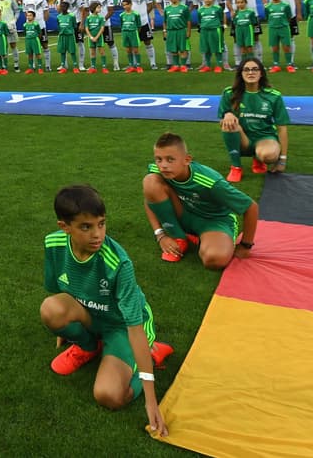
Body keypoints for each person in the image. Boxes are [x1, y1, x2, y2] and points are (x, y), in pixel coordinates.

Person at [40, 184, 173, 436]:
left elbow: (134, 327)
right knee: (51, 309)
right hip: (92, 317)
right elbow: (56, 289)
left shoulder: (118, 263)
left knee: (109, 395)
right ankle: (88, 347)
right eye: (86, 227)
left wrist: (151, 400)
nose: (97, 234)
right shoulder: (53, 243)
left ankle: (148, 356)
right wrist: (67, 327)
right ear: (64, 227)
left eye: (101, 224)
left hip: (123, 326)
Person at [143, 132, 259, 269]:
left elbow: (251, 207)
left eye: (170, 159)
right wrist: (160, 235)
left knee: (215, 259)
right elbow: (149, 199)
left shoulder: (211, 182)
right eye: (159, 159)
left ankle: (200, 238)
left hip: (214, 221)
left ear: (187, 160)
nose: (163, 166)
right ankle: (178, 237)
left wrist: (246, 245)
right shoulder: (157, 170)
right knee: (150, 182)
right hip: (185, 212)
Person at [218, 56, 290, 182]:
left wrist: (282, 160)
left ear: (261, 73)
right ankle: (236, 167)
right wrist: (227, 113)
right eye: (246, 70)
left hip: (264, 138)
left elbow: (282, 128)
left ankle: (258, 158)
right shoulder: (229, 93)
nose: (251, 72)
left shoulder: (273, 96)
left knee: (269, 155)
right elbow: (222, 121)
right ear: (241, 73)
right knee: (227, 123)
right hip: (242, 138)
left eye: (255, 69)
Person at [121, 0, 159, 69]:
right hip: (131, 24)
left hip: (143, 22)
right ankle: (133, 64)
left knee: (147, 42)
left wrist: (142, 15)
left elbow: (150, 5)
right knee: (131, 45)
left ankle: (153, 63)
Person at [263, 0, 296, 72]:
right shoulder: (267, 7)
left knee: (286, 47)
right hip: (273, 29)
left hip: (284, 28)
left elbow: (289, 17)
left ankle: (289, 65)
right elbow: (267, 17)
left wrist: (283, 23)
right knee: (275, 47)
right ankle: (276, 65)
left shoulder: (285, 5)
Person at [161, 0, 192, 72]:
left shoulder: (184, 8)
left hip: (181, 30)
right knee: (173, 49)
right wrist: (164, 31)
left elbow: (188, 21)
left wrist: (188, 31)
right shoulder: (167, 9)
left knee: (183, 49)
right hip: (171, 31)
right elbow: (164, 21)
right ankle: (176, 65)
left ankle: (183, 66)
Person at [196, 0, 225, 73]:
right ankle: (207, 66)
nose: (207, 0)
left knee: (217, 48)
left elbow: (221, 19)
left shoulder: (218, 8)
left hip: (215, 30)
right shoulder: (200, 9)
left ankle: (219, 66)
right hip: (204, 30)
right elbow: (199, 20)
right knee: (206, 48)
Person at [229, 0, 258, 70]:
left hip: (248, 30)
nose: (240, 4)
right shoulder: (236, 13)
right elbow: (235, 22)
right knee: (242, 47)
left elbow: (254, 22)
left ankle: (251, 63)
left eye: (242, 2)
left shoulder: (250, 12)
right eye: (238, 3)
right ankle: (244, 63)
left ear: (245, 3)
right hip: (239, 30)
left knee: (249, 47)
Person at [118, 0, 143, 73]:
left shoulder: (136, 14)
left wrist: (136, 32)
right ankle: (131, 66)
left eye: (126, 5)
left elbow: (139, 25)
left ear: (130, 4)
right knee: (128, 50)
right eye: (123, 5)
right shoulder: (121, 15)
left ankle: (138, 66)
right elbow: (121, 25)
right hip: (125, 33)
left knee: (135, 50)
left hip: (133, 32)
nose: (125, 6)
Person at [55, 0, 80, 73]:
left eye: (64, 6)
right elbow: (59, 26)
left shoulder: (72, 16)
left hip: (70, 36)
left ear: (67, 7)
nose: (63, 8)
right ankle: (63, 67)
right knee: (62, 51)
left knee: (72, 51)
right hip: (62, 36)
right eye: (61, 6)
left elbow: (75, 26)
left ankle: (75, 67)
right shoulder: (58, 16)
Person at [83, 1, 108, 74]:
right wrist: (91, 37)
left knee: (102, 52)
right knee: (92, 53)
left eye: (100, 7)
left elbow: (102, 28)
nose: (100, 9)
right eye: (98, 7)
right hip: (91, 38)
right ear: (93, 8)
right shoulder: (88, 18)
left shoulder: (101, 18)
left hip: (99, 38)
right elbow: (86, 28)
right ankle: (93, 67)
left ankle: (104, 67)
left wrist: (96, 37)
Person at [23, 9, 45, 74]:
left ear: (33, 17)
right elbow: (25, 32)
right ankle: (30, 68)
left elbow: (40, 33)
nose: (28, 17)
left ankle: (40, 68)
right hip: (28, 40)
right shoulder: (25, 25)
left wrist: (37, 38)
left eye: (30, 15)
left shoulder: (36, 24)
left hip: (35, 40)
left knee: (38, 54)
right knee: (30, 54)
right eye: (27, 15)